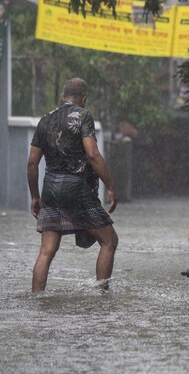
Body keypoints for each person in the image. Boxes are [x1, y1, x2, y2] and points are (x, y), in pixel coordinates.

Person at [27, 78, 118, 293]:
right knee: (109, 241)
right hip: (76, 188)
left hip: (50, 187)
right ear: (83, 99)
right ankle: (101, 296)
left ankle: (36, 299)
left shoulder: (45, 120)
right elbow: (93, 155)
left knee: (46, 251)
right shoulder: (83, 116)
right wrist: (111, 186)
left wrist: (35, 196)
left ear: (62, 96)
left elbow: (32, 163)